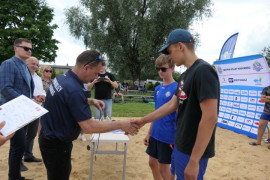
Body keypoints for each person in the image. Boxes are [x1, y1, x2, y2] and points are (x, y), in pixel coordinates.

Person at [133, 29, 220, 180]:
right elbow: (171, 105)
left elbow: (210, 118)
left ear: (181, 46)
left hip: (191, 151)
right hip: (180, 144)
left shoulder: (204, 71)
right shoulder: (186, 74)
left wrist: (194, 161)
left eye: (169, 50)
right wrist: (142, 121)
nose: (169, 56)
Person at [38, 49, 139, 179]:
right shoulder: (74, 89)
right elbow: (88, 126)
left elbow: (64, 101)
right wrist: (120, 124)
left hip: (49, 136)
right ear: (86, 68)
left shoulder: (62, 78)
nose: (96, 78)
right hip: (56, 143)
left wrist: (89, 101)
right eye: (96, 73)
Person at [0, 38, 42, 180]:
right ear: (15, 48)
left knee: (18, 145)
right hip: (12, 111)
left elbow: (25, 91)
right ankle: (14, 177)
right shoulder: (8, 64)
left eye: (31, 49)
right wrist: (26, 101)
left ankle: (15, 176)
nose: (29, 51)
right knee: (19, 145)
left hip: (22, 111)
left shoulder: (24, 66)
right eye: (26, 48)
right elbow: (5, 88)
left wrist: (34, 98)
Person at [144, 54, 177, 180]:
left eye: (163, 69)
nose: (160, 72)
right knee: (152, 163)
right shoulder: (158, 88)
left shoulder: (177, 88)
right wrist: (148, 133)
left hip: (168, 135)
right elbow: (156, 113)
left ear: (172, 68)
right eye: (158, 69)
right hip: (155, 134)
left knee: (164, 169)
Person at [23, 57, 46, 163]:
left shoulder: (37, 77)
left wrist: (42, 95)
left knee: (31, 134)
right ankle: (18, 161)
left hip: (36, 108)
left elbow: (41, 90)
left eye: (37, 64)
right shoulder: (22, 75)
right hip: (24, 108)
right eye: (32, 64)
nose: (35, 66)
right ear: (26, 63)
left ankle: (28, 155)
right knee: (21, 135)